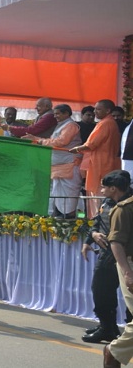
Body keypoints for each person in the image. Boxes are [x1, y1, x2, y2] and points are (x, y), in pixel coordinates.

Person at [81, 171, 133, 344]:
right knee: (101, 291)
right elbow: (97, 222)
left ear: (113, 188)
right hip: (107, 254)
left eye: (104, 187)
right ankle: (107, 327)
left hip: (126, 255)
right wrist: (92, 237)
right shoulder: (107, 202)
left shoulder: (128, 205)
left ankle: (128, 333)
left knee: (130, 297)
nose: (101, 190)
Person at [24, 104, 82, 218]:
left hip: (69, 165)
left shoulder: (70, 125)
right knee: (57, 194)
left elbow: (61, 142)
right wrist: (37, 140)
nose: (55, 116)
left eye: (58, 114)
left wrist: (37, 140)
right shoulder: (61, 125)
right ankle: (59, 216)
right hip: (59, 166)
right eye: (54, 114)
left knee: (69, 194)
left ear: (66, 113)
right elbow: (53, 140)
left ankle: (70, 218)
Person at [70, 99, 122, 217]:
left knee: (97, 195)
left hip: (100, 164)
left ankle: (95, 222)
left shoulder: (105, 123)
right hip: (107, 163)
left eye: (98, 109)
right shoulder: (110, 122)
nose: (95, 112)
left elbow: (91, 144)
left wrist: (77, 149)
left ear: (108, 110)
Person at [102, 178, 133, 367]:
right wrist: (127, 273)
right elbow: (116, 242)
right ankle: (114, 351)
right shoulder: (124, 209)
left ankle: (115, 350)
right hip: (130, 264)